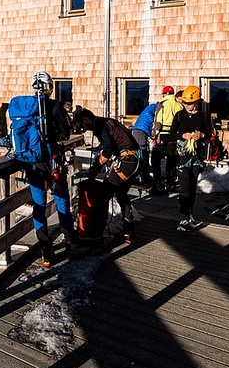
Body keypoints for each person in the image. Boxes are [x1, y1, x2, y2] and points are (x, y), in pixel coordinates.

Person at [17, 71, 77, 267]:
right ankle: (70, 244)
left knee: (39, 205)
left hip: (33, 162)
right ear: (49, 87)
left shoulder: (27, 108)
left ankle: (45, 250)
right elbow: (65, 134)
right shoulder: (55, 106)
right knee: (61, 201)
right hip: (53, 162)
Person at [73, 107, 141, 244]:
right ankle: (129, 232)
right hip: (135, 161)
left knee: (104, 195)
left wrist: (96, 167)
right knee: (121, 193)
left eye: (82, 126)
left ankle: (97, 234)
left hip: (127, 161)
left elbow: (108, 150)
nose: (84, 129)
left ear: (85, 120)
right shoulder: (106, 121)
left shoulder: (100, 125)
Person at [168, 85, 213, 232]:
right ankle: (183, 217)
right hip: (182, 155)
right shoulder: (179, 116)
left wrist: (202, 135)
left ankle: (190, 213)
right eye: (185, 103)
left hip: (196, 156)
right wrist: (182, 135)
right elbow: (171, 134)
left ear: (197, 102)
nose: (186, 106)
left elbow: (208, 133)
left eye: (189, 103)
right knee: (184, 187)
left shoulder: (203, 116)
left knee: (192, 186)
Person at [149, 86, 183, 195]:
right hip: (173, 135)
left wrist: (154, 135)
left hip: (162, 134)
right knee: (171, 160)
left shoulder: (162, 104)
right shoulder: (179, 105)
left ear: (164, 94)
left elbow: (158, 122)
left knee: (156, 159)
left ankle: (157, 185)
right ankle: (170, 184)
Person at [131, 101, 157, 187]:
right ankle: (141, 176)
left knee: (142, 152)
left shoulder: (150, 108)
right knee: (142, 153)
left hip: (140, 130)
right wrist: (154, 124)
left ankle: (142, 175)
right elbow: (150, 119)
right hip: (141, 131)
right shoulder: (153, 110)